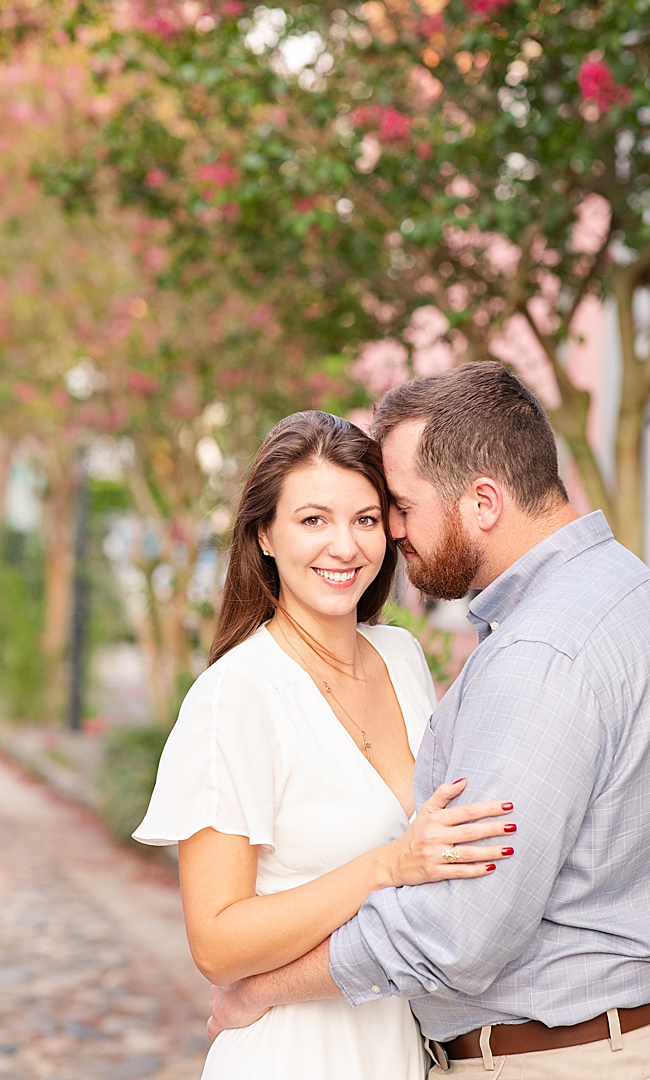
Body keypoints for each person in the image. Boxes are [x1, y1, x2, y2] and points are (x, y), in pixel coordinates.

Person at [210, 362, 650, 1078]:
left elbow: (461, 930)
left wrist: (262, 992)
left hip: (571, 1060)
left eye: (396, 506)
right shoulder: (639, 591)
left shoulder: (537, 653)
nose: (390, 533)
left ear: (483, 501)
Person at [133, 409, 518, 1080]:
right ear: (265, 535)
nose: (345, 547)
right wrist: (386, 865)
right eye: (313, 520)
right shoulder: (237, 696)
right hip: (293, 1053)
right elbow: (218, 944)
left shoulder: (400, 656)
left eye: (366, 520)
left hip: (398, 1043)